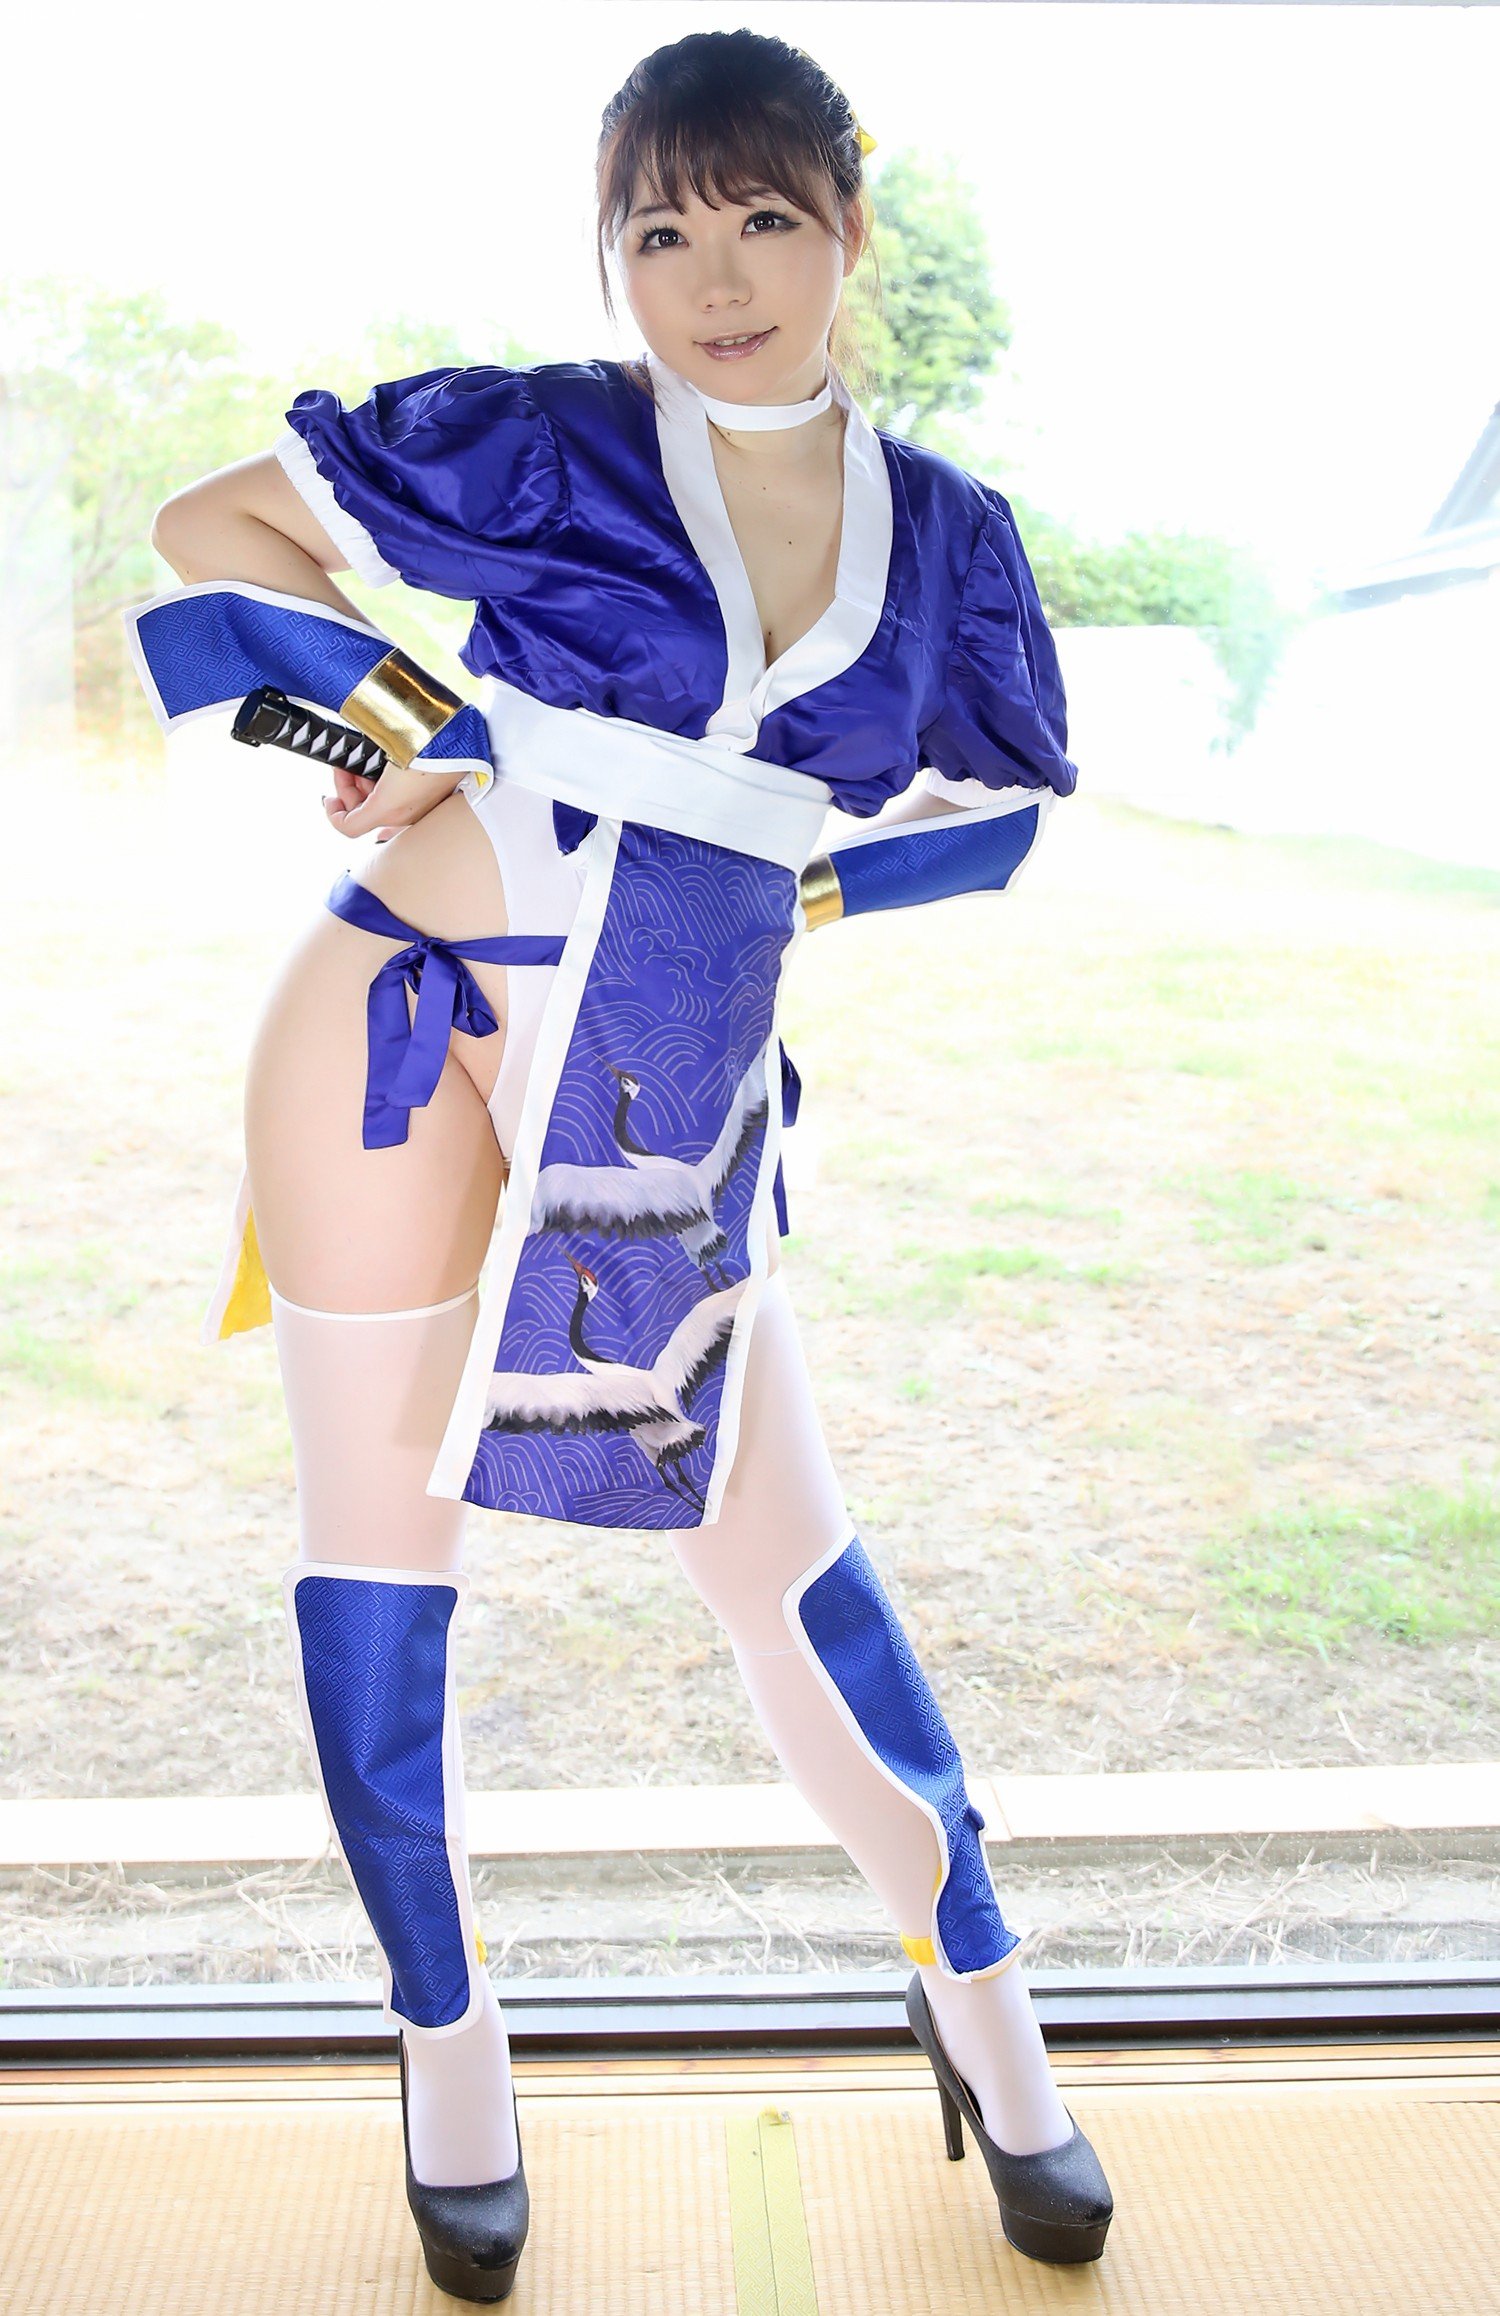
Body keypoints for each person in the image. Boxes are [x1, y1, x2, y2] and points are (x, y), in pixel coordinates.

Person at [136, 26, 1114, 2301]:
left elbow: (994, 810)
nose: (714, 277)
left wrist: (767, 892)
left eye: (762, 217)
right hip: (388, 1008)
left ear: (847, 224)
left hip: (668, 1054)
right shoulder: (555, 439)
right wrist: (411, 722)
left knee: (783, 1563)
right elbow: (212, 528)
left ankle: (985, 2007)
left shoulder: (951, 536)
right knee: (380, 1559)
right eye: (659, 231)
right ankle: (446, 2040)